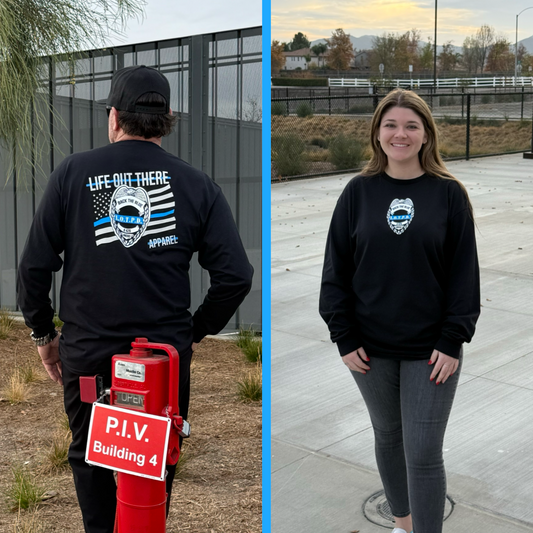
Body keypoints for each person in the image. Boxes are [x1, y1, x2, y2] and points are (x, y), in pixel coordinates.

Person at [17, 65, 253, 533]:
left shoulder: (72, 173)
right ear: (167, 118)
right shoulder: (196, 183)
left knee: (91, 460)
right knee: (152, 463)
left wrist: (44, 334)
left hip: (88, 354)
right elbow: (236, 276)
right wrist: (191, 331)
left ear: (113, 117)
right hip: (161, 359)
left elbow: (34, 267)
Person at [319, 89, 480, 533]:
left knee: (424, 451)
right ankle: (403, 525)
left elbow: (465, 276)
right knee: (388, 438)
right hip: (369, 350)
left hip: (432, 351)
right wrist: (344, 336)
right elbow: (336, 271)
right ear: (377, 133)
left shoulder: (448, 194)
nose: (400, 134)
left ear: (426, 134)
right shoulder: (358, 193)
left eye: (411, 125)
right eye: (390, 125)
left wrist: (452, 339)